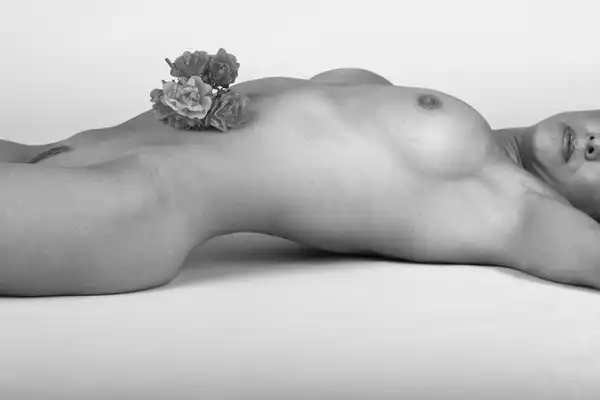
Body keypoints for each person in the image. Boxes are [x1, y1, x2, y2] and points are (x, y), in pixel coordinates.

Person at [1, 67, 599, 297]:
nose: (596, 144)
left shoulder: (513, 204)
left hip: (133, 203)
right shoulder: (412, 105)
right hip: (60, 152)